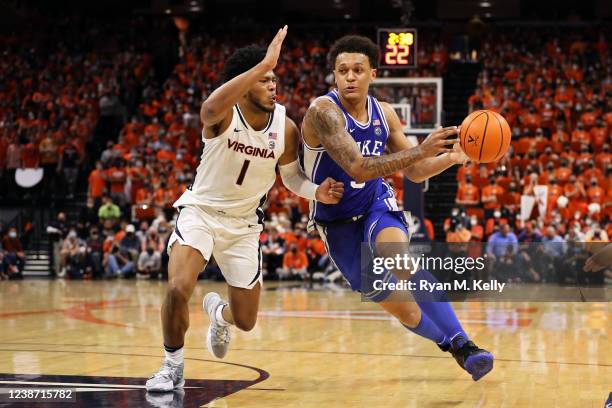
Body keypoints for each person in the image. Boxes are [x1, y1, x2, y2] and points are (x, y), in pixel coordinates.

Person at [146, 26, 344, 392]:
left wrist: (318, 191)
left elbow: (290, 178)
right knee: (177, 288)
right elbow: (207, 108)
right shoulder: (222, 113)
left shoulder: (285, 128)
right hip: (200, 213)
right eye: (265, 79)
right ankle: (171, 366)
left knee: (246, 320)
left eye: (274, 79)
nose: (273, 86)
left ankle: (218, 315)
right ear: (245, 80)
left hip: (244, 227)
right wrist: (262, 64)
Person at [300, 34, 493, 381]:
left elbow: (416, 172)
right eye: (342, 70)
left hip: (375, 201)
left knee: (400, 260)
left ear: (372, 73)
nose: (350, 77)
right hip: (337, 221)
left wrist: (451, 157)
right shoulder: (323, 112)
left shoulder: (385, 113)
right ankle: (449, 345)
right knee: (403, 310)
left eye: (358, 69)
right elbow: (358, 166)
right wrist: (422, 149)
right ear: (334, 75)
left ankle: (466, 344)